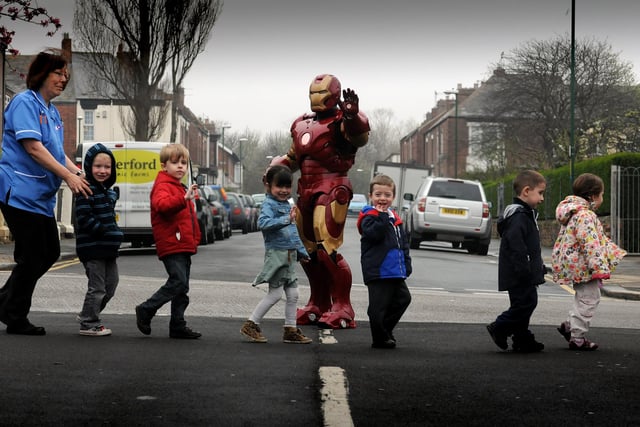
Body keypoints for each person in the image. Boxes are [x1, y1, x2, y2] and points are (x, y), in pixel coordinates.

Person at [0, 51, 91, 335]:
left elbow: (56, 152)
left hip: (39, 197)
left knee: (49, 251)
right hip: (18, 191)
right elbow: (33, 147)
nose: (64, 80)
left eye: (66, 75)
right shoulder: (24, 103)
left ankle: (4, 302)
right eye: (58, 74)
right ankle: (15, 316)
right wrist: (67, 176)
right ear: (42, 73)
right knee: (33, 255)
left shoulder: (51, 111)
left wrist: (75, 171)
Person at [269, 74, 370, 329]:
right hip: (306, 189)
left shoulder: (342, 122)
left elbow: (359, 137)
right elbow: (293, 158)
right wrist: (276, 168)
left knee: (327, 248)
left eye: (321, 94)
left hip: (333, 187)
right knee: (308, 251)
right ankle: (319, 302)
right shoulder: (302, 123)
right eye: (313, 93)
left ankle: (343, 306)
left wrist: (352, 116)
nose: (316, 99)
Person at [552, 173, 626, 351]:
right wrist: (599, 268)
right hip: (584, 266)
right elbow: (590, 244)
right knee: (589, 299)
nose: (602, 198)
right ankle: (577, 337)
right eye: (601, 194)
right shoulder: (585, 215)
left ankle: (569, 326)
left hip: (575, 264)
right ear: (592, 196)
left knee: (584, 297)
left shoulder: (573, 212)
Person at [135, 143, 202, 339]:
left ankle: (177, 325)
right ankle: (146, 309)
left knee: (182, 287)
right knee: (178, 282)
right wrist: (184, 198)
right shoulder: (163, 185)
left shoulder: (178, 186)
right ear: (164, 166)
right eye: (175, 163)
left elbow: (188, 218)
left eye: (183, 163)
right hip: (172, 243)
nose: (180, 166)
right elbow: (162, 206)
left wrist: (195, 238)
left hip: (182, 243)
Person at [240, 165, 312, 344]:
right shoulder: (268, 205)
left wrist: (302, 252)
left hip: (290, 256)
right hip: (277, 255)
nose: (284, 190)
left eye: (287, 187)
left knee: (293, 294)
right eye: (279, 186)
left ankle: (290, 330)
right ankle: (251, 324)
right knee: (275, 294)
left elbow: (293, 233)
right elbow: (263, 223)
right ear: (268, 185)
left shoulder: (288, 204)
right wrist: (286, 219)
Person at [487, 170, 547, 352]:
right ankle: (500, 326)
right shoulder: (519, 216)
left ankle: (522, 339)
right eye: (540, 193)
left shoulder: (526, 214)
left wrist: (539, 267)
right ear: (527, 191)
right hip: (520, 271)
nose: (542, 198)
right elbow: (517, 246)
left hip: (524, 269)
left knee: (523, 304)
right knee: (526, 303)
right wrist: (525, 268)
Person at [357, 174, 412, 349]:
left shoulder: (395, 218)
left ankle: (384, 329)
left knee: (403, 299)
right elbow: (374, 234)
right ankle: (380, 337)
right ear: (370, 196)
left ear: (393, 197)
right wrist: (381, 216)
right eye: (378, 194)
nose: (382, 198)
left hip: (395, 270)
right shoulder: (369, 216)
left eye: (387, 195)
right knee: (379, 306)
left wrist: (406, 262)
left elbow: (403, 243)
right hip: (378, 271)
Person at [75, 143, 123, 336]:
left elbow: (109, 217)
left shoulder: (105, 190)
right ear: (88, 166)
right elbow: (84, 218)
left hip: (107, 248)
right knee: (97, 288)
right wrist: (104, 231)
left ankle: (87, 313)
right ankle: (88, 322)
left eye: (107, 167)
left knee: (111, 285)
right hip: (92, 248)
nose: (103, 171)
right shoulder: (85, 189)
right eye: (98, 166)